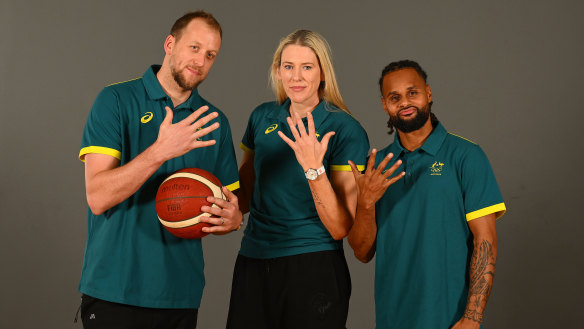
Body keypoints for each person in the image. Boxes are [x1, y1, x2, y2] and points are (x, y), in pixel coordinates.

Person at [76, 11, 242, 329]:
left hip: (181, 294)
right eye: (194, 48)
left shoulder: (214, 122)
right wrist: (159, 152)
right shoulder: (115, 100)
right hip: (115, 290)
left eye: (211, 55)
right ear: (170, 44)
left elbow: (229, 204)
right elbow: (97, 197)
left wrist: (233, 221)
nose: (201, 61)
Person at [226, 30, 369, 329]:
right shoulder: (261, 118)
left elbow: (340, 226)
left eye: (307, 67)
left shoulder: (344, 128)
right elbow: (246, 191)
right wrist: (221, 207)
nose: (296, 77)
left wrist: (313, 169)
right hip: (254, 259)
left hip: (312, 262)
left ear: (322, 73)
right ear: (277, 72)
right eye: (288, 66)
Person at [348, 60, 506, 329]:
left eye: (413, 93)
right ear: (385, 105)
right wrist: (365, 203)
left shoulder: (466, 155)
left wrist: (472, 317)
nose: (405, 102)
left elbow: (485, 240)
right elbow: (362, 253)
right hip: (391, 318)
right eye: (394, 97)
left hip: (450, 319)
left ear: (428, 94)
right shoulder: (376, 168)